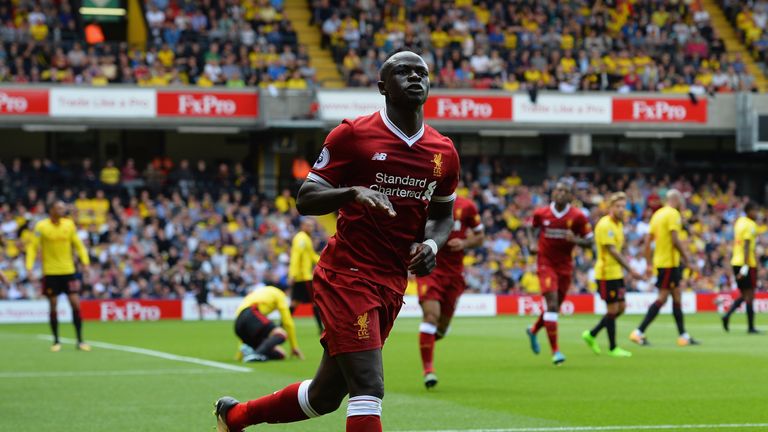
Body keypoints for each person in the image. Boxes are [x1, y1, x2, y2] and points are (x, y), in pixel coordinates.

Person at [215, 50, 459, 432]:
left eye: (421, 72)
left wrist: (431, 246)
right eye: (403, 72)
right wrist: (351, 193)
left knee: (326, 396)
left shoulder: (443, 152)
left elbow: (443, 217)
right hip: (347, 276)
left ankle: (236, 416)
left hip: (392, 282)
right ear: (383, 87)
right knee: (368, 386)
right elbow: (305, 198)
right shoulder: (353, 135)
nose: (415, 77)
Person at [416, 195, 484, 388]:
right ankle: (428, 370)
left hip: (454, 275)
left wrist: (464, 244)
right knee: (431, 316)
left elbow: (480, 237)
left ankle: (427, 341)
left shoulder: (467, 206)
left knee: (442, 328)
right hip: (430, 268)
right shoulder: (424, 202)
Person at [525, 181, 592, 365]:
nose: (560, 193)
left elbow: (590, 242)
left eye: (564, 191)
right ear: (553, 193)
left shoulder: (577, 217)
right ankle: (556, 351)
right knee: (552, 303)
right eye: (558, 190)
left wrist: (576, 240)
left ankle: (533, 330)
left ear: (571, 196)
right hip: (545, 263)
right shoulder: (542, 212)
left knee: (554, 306)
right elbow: (530, 227)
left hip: (565, 266)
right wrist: (532, 243)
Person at [630, 189, 699, 346]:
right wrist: (688, 260)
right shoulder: (673, 214)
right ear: (676, 200)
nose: (682, 205)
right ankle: (638, 332)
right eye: (681, 202)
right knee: (663, 297)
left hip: (661, 262)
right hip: (669, 263)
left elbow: (647, 241)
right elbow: (675, 239)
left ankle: (683, 336)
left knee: (676, 297)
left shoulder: (658, 214)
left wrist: (648, 263)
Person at [25, 201, 91, 352]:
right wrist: (29, 267)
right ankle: (56, 341)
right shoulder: (41, 226)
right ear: (52, 210)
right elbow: (32, 247)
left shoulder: (69, 225)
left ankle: (80, 341)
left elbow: (79, 245)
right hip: (51, 272)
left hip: (68, 271)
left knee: (75, 303)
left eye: (63, 208)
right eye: (59, 208)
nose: (63, 210)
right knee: (53, 305)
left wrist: (85, 263)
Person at [582, 192, 641, 357]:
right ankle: (613, 347)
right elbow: (613, 251)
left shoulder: (619, 224)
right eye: (618, 206)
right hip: (606, 273)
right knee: (613, 308)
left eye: (624, 206)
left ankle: (592, 334)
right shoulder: (605, 224)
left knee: (620, 308)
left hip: (617, 273)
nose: (622, 209)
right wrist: (631, 269)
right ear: (610, 207)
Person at [234, 285, 303, 362]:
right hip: (251, 313)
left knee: (280, 354)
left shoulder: (262, 292)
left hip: (238, 323)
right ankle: (256, 354)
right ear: (286, 292)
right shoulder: (280, 295)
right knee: (281, 334)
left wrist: (239, 354)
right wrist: (294, 346)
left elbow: (246, 326)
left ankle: (250, 352)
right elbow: (287, 322)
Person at [722, 201, 761, 333]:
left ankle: (727, 316)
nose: (757, 214)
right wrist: (745, 267)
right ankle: (751, 327)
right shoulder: (751, 225)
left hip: (736, 262)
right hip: (746, 264)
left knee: (744, 295)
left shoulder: (739, 222)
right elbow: (747, 245)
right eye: (755, 211)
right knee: (750, 295)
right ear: (749, 211)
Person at [288, 217, 323, 332]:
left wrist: (324, 261)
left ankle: (283, 326)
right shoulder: (301, 239)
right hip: (304, 277)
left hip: (300, 277)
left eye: (312, 226)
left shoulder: (305, 238)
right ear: (303, 226)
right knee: (315, 302)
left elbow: (311, 255)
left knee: (295, 302)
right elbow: (296, 256)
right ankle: (320, 328)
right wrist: (292, 274)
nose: (311, 228)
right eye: (309, 225)